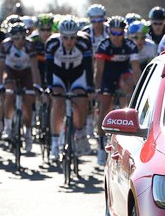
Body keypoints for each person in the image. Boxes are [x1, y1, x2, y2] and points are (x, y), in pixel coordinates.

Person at [45, 18, 95, 161]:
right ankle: (55, 144)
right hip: (58, 74)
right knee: (57, 102)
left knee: (81, 100)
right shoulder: (52, 43)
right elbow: (48, 69)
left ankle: (80, 132)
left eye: (72, 37)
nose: (69, 41)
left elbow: (88, 67)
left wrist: (90, 87)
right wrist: (49, 87)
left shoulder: (84, 42)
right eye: (65, 37)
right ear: (60, 36)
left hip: (77, 75)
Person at [94, 16, 141, 165]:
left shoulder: (130, 45)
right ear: (109, 33)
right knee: (104, 106)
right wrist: (98, 89)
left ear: (123, 33)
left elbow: (135, 69)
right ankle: (101, 146)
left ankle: (124, 141)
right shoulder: (103, 45)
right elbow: (99, 70)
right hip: (107, 75)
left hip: (123, 76)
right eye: (113, 33)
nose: (116, 37)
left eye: (119, 33)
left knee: (125, 102)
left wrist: (137, 88)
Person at [0, 21, 41, 153]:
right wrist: (0, 84)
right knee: (9, 94)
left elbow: (34, 68)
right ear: (11, 38)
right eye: (16, 38)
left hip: (26, 72)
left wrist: (37, 85)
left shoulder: (29, 45)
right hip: (11, 71)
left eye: (22, 37)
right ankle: (8, 126)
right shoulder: (5, 45)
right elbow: (0, 67)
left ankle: (28, 133)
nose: (19, 41)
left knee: (28, 102)